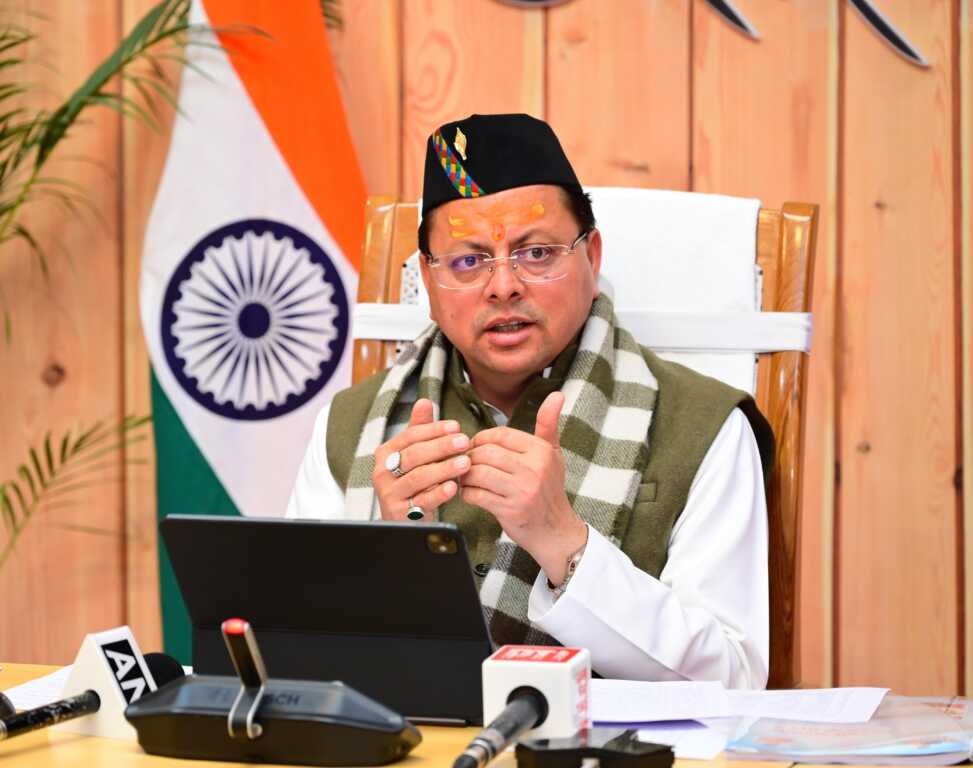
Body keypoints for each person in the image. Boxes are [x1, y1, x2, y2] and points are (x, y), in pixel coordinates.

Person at [287, 113, 775, 689]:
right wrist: (396, 559)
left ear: (592, 256)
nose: (503, 286)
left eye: (537, 252)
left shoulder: (706, 426)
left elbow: (734, 679)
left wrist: (563, 541)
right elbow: (292, 655)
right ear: (428, 279)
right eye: (468, 261)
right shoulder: (352, 426)